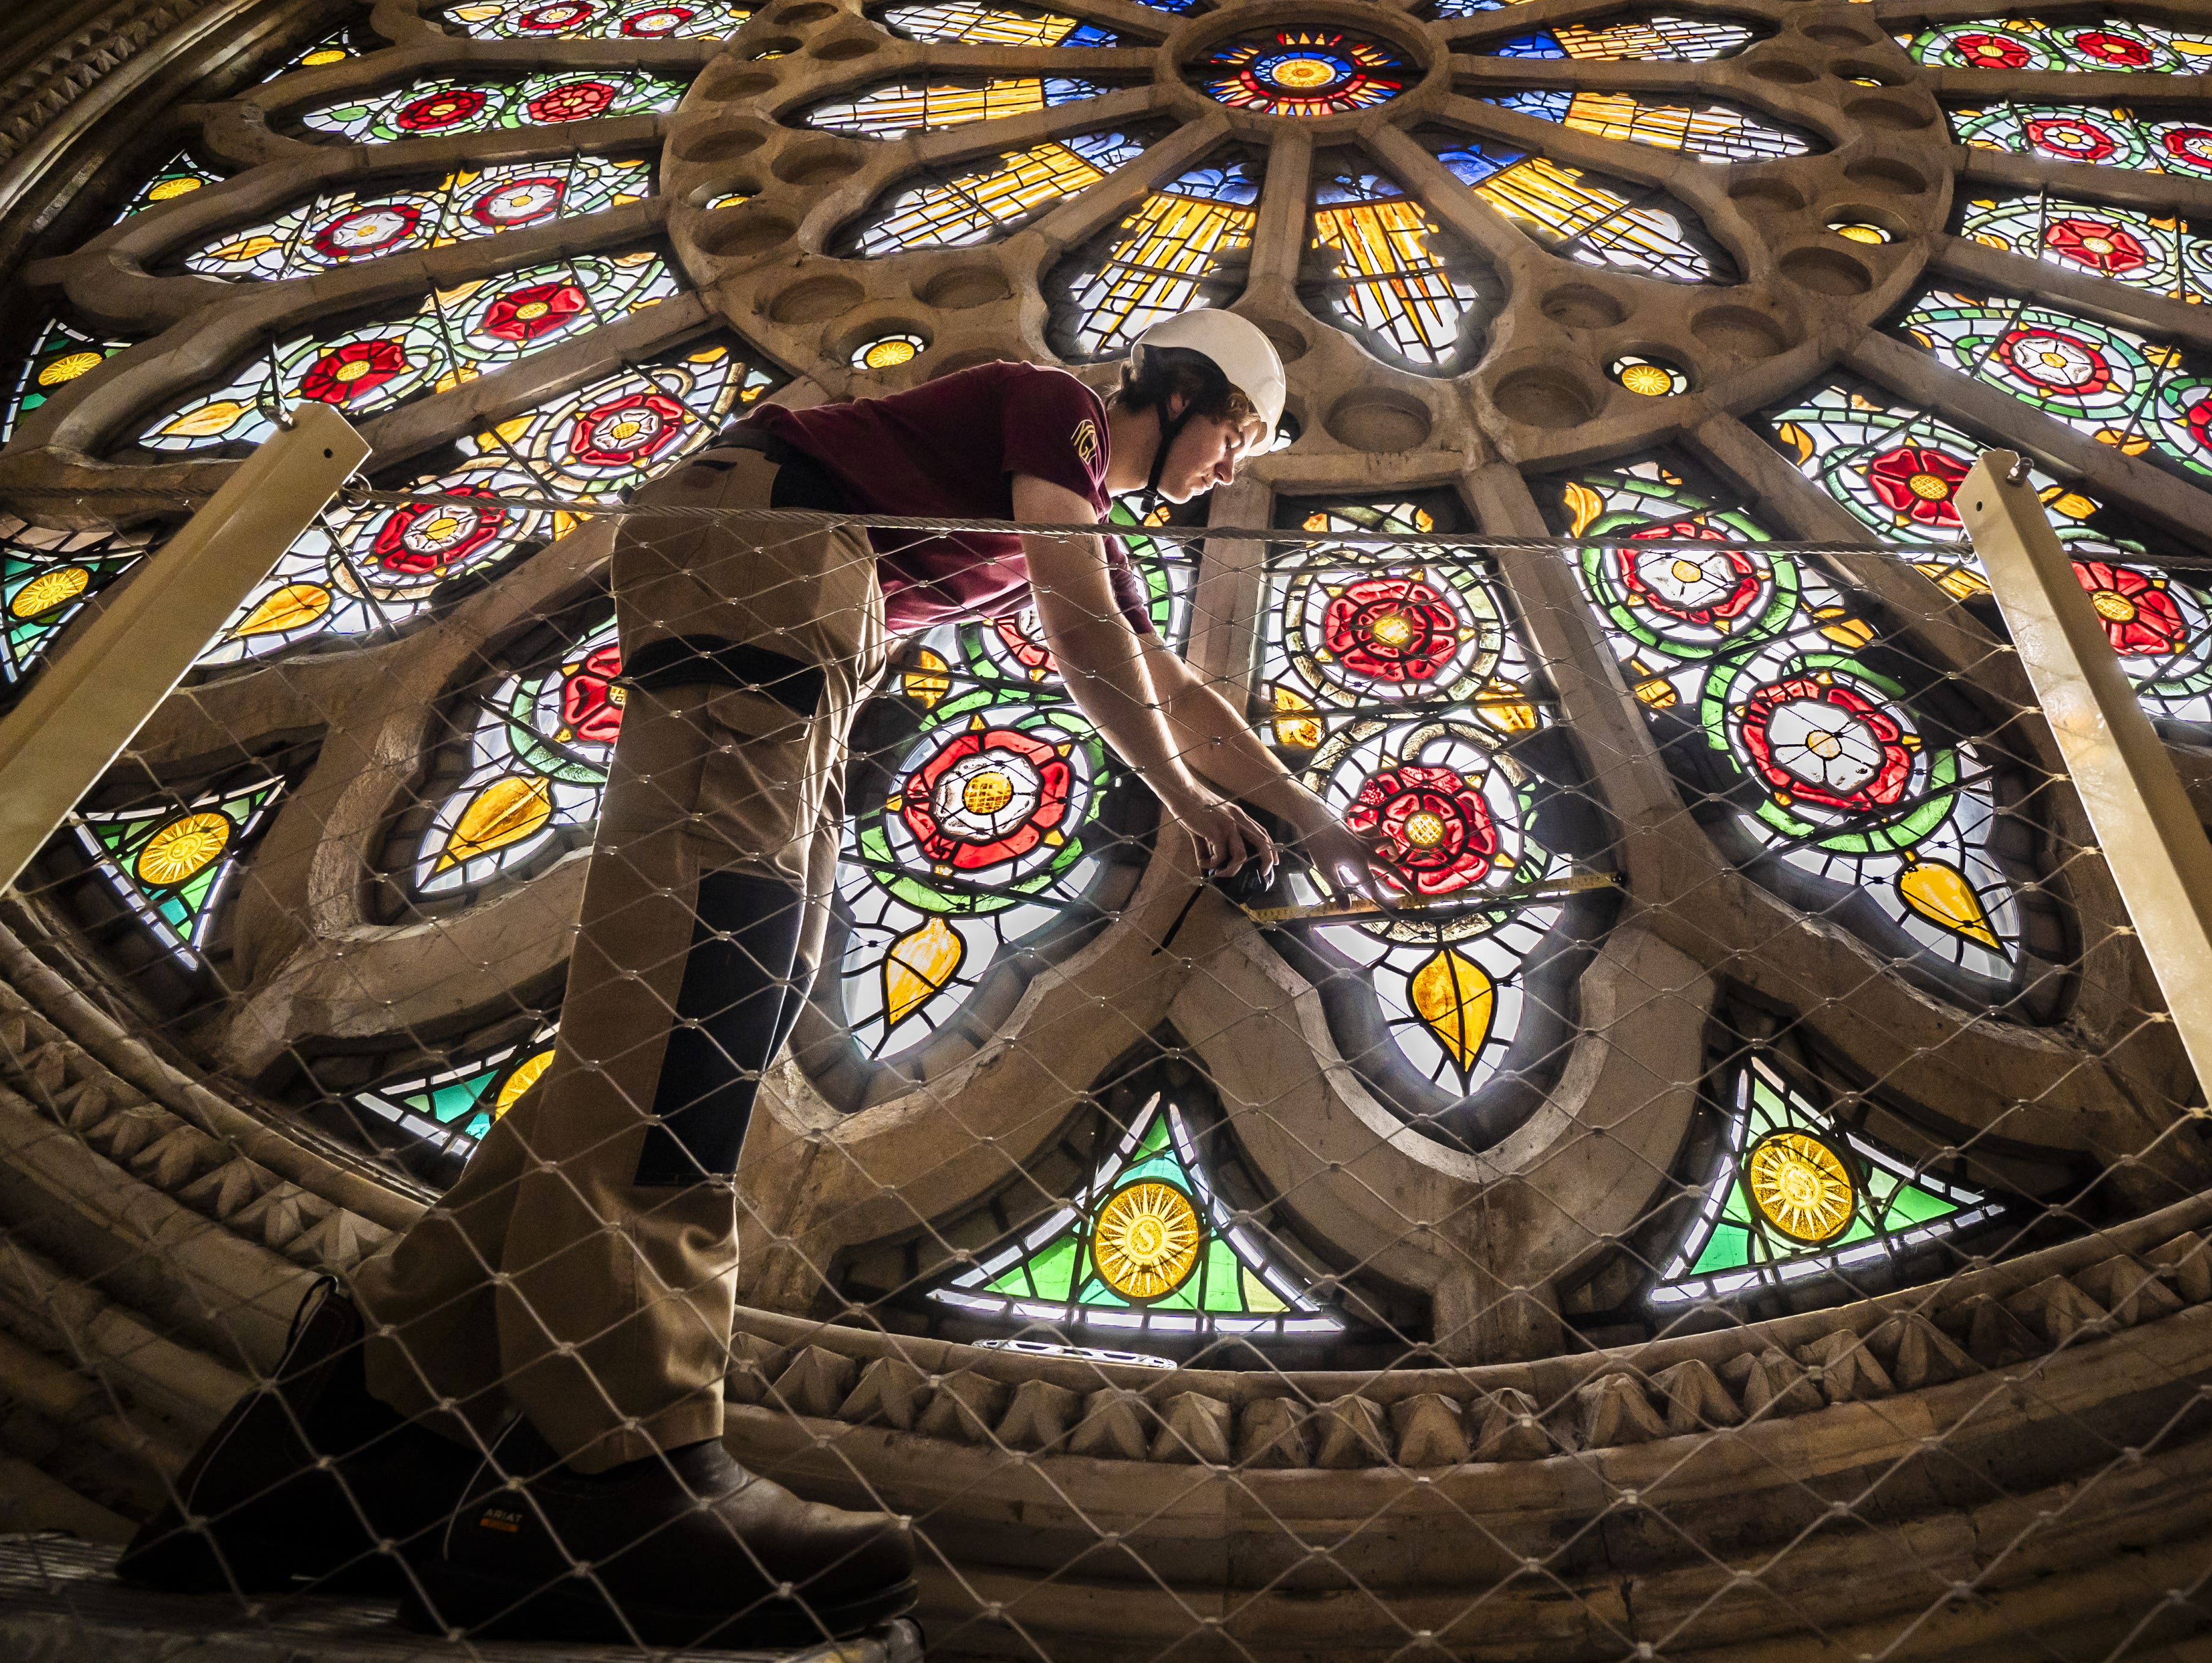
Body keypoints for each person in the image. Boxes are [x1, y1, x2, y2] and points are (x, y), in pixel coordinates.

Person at [118, 310, 1384, 1644]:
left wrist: (1305, 813)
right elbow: (1079, 614)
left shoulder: (1064, 503)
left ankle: (348, 1435)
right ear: (1175, 390)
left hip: (787, 597)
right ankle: (601, 1464)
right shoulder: (1054, 407)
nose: (1233, 469)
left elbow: (1160, 674)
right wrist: (1176, 795)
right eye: (1236, 431)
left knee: (707, 999)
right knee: (707, 985)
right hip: (771, 563)